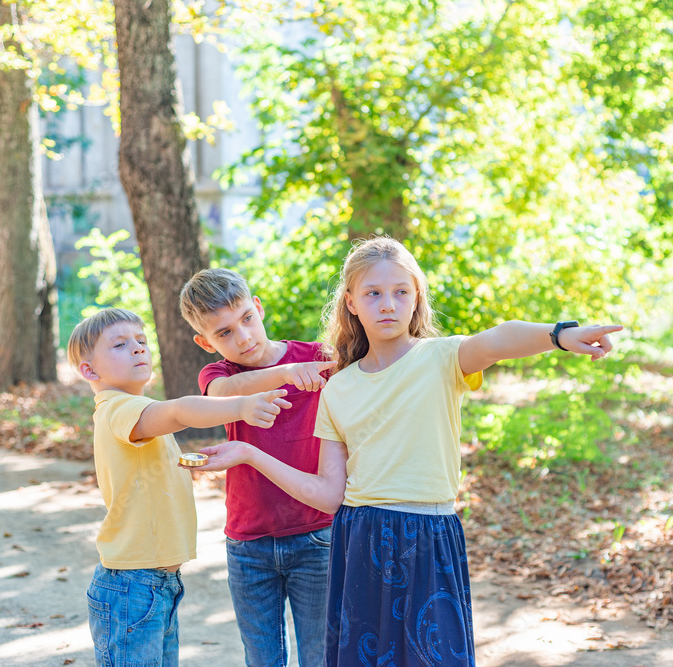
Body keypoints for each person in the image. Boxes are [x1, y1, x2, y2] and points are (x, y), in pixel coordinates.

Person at [189, 237, 623, 666]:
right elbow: (327, 494)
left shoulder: (442, 358)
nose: (388, 304)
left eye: (401, 292)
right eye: (373, 294)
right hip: (358, 539)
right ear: (351, 303)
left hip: (428, 535)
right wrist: (250, 455)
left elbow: (496, 340)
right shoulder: (337, 387)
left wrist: (560, 335)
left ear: (417, 297)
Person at [67, 307, 291, 667]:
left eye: (141, 341)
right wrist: (242, 407)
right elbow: (180, 412)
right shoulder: (118, 408)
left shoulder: (137, 411)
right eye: (121, 345)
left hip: (156, 583)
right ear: (90, 371)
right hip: (132, 585)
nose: (138, 349)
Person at [179, 268, 338, 667]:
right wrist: (283, 375)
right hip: (249, 544)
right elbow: (219, 395)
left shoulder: (318, 358)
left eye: (247, 319)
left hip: (317, 534)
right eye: (225, 333)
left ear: (259, 307)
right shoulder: (221, 375)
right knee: (262, 659)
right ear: (205, 342)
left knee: (321, 656)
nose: (244, 337)